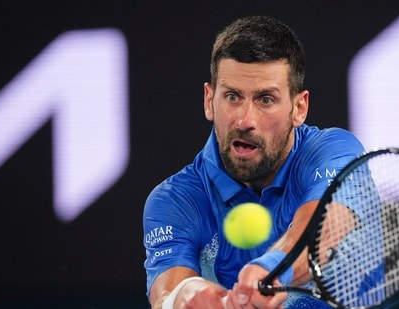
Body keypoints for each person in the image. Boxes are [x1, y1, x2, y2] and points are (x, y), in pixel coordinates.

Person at [142, 15, 366, 309]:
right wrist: (182, 297)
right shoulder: (176, 200)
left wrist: (273, 269)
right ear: (209, 100)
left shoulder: (334, 151)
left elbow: (325, 224)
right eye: (232, 97)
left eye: (266, 100)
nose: (245, 120)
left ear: (299, 108)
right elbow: (166, 292)